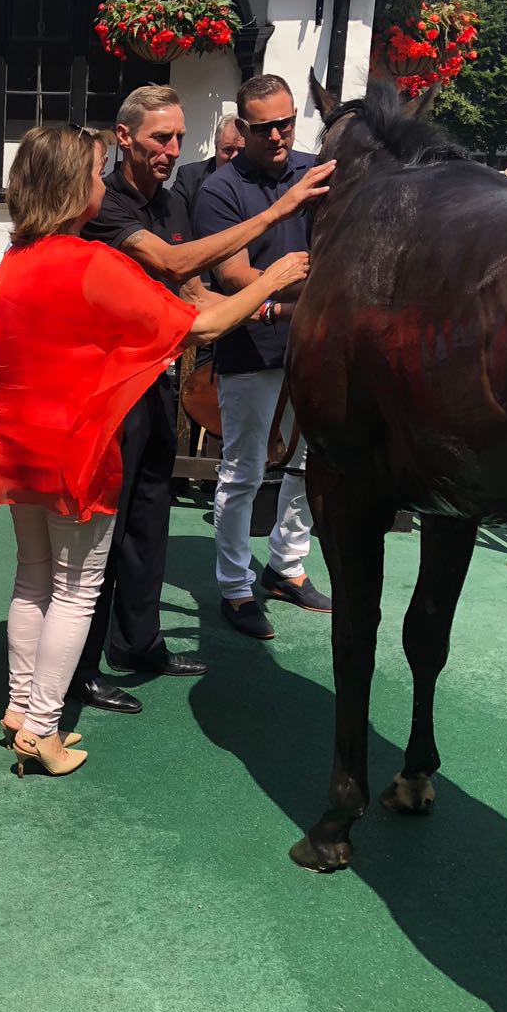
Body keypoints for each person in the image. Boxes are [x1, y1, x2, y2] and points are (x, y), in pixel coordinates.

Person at [0, 124, 309, 774]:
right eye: (94, 173)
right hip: (78, 448)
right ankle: (43, 729)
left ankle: (21, 708)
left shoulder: (16, 262)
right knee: (76, 588)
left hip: (18, 441)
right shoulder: (93, 262)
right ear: (72, 188)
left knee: (33, 577)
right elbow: (205, 324)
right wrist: (275, 277)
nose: (102, 182)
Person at [70, 85, 332, 712]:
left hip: (155, 382)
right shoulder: (107, 205)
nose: (172, 149)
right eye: (161, 138)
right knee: (101, 537)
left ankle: (138, 644)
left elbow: (196, 298)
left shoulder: (169, 201)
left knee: (148, 522)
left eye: (179, 138)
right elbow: (173, 262)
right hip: (108, 393)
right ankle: (79, 668)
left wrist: (271, 309)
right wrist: (277, 230)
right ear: (124, 137)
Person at [192, 73, 334, 640]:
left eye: (286, 122)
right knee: (244, 470)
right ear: (242, 128)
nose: (277, 135)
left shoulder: (318, 171)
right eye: (263, 127)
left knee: (307, 464)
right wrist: (320, 289)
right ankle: (235, 586)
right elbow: (233, 276)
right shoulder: (220, 189)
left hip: (313, 346)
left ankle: (286, 567)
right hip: (251, 346)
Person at [172, 113, 245, 229]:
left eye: (241, 151)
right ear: (216, 149)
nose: (234, 157)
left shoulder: (261, 179)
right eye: (228, 150)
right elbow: (173, 220)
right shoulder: (189, 177)